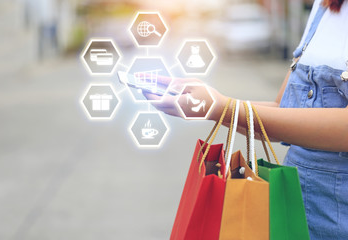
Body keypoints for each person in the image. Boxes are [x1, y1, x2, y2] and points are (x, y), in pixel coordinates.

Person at [144, 0, 348, 239]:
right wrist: (211, 106)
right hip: (291, 216)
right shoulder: (322, 9)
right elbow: (279, 114)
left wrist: (223, 107)